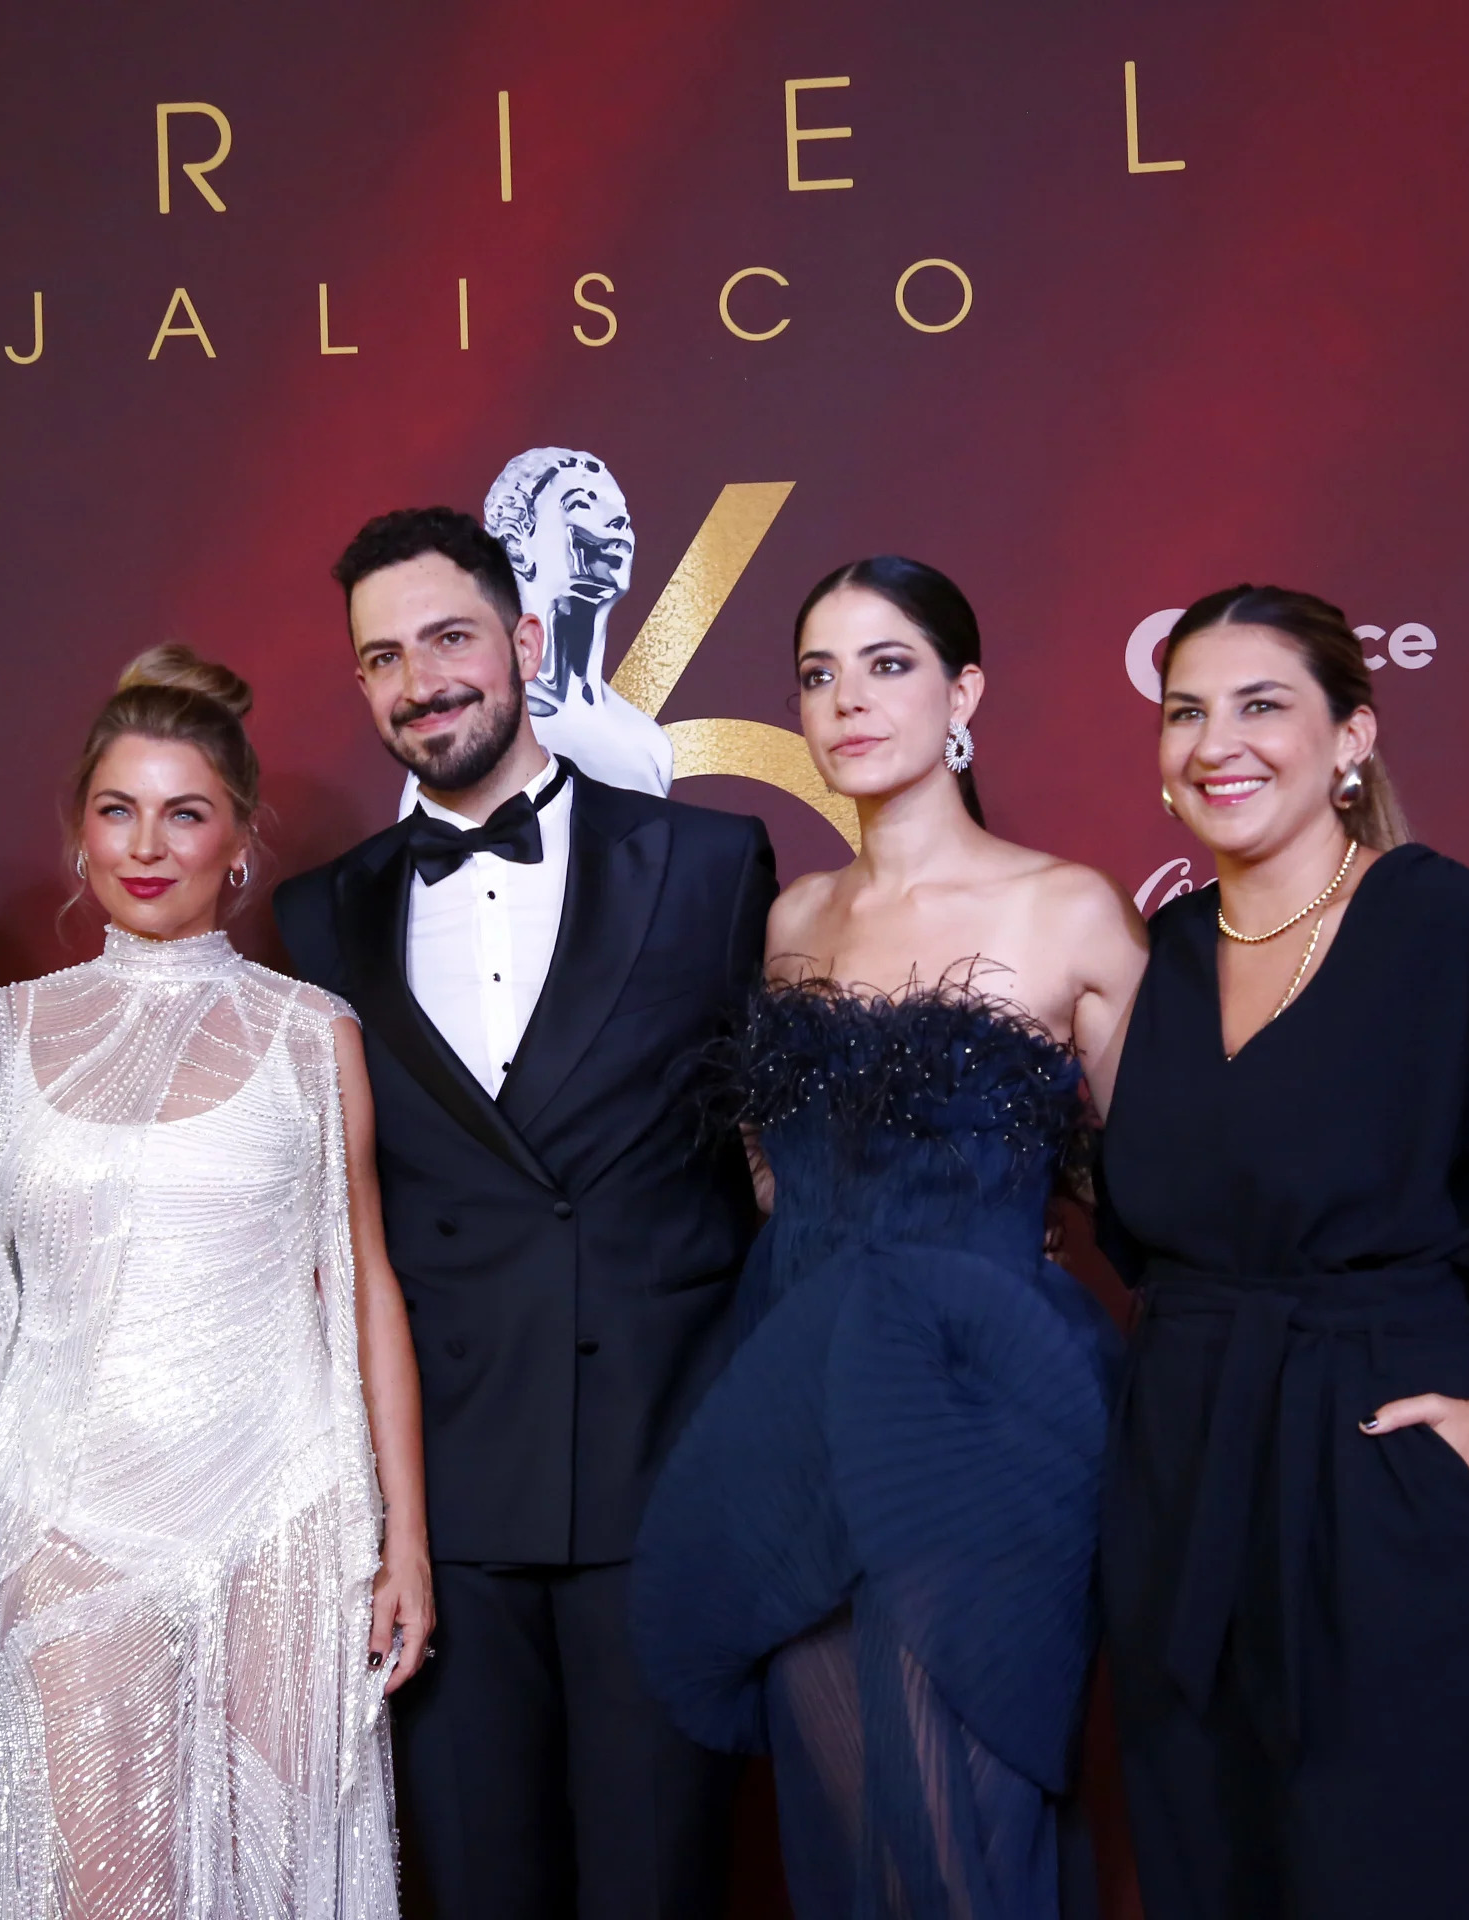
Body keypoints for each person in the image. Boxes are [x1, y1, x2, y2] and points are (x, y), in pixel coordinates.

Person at [1095, 585, 1469, 1917]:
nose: (1214, 743)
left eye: (1262, 706)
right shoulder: (1173, 949)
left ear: (1352, 737)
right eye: (1185, 711)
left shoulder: (1450, 925)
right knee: (1209, 1864)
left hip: (1380, 1463)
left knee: (1394, 1870)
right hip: (1184, 1477)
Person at [275, 508, 777, 1920]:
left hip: (664, 1487)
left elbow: (777, 1174)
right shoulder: (320, 918)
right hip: (446, 1520)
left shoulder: (713, 863)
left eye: (447, 637)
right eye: (383, 656)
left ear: (524, 640)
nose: (420, 679)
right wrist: (390, 1529)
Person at [631, 557, 1149, 1919]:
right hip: (797, 1406)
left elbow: (1168, 1183)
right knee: (846, 1830)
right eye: (819, 673)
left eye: (888, 663)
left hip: (986, 1420)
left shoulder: (1070, 908)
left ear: (965, 692)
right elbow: (773, 1180)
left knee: (963, 1831)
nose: (848, 700)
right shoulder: (794, 921)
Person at [0, 646, 430, 1920]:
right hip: (68, 1515)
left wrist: (404, 1542)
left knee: (274, 1882)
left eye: (185, 811)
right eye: (117, 810)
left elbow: (366, 1287)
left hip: (283, 1506)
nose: (147, 844)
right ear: (79, 837)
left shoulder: (311, 1033)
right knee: (110, 1894)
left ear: (241, 839)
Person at [484, 446, 672, 794]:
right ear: (516, 545)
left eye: (620, 510)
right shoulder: (476, 737)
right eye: (581, 504)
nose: (618, 520)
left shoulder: (647, 741)